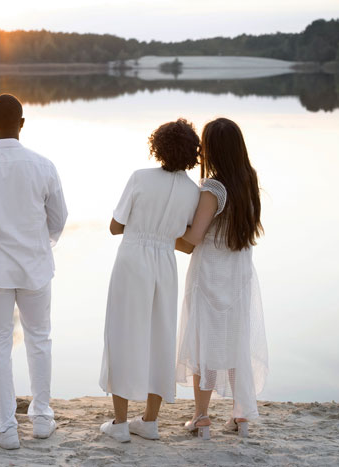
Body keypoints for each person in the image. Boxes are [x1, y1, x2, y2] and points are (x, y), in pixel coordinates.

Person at [0, 94, 68, 450]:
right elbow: (59, 219)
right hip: (35, 266)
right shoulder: (44, 165)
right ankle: (41, 418)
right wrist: (41, 244)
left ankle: (6, 426)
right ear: (22, 124)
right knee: (40, 340)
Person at [99, 119, 200, 443]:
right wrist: (160, 234)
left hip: (132, 259)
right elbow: (185, 236)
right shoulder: (192, 191)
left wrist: (142, 229)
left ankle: (120, 423)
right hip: (165, 262)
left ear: (158, 146)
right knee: (161, 335)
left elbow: (116, 226)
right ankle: (150, 421)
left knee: (123, 333)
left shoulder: (140, 178)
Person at [175, 118, 268, 440]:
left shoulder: (213, 188)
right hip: (239, 272)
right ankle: (240, 417)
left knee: (206, 343)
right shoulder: (248, 181)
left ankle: (201, 417)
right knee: (235, 341)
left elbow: (193, 239)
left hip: (212, 274)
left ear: (212, 149)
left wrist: (157, 233)